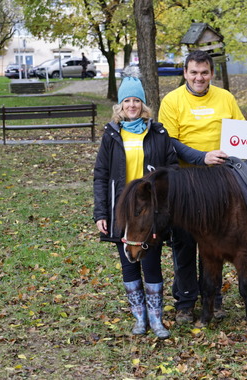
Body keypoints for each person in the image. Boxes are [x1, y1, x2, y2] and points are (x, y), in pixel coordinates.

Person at [158, 50, 247, 324]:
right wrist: (201, 157)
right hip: (188, 184)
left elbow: (245, 133)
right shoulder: (172, 100)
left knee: (218, 242)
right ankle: (186, 302)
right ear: (185, 73)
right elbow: (171, 142)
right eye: (193, 73)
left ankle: (215, 300)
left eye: (204, 73)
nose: (199, 78)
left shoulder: (225, 97)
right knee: (186, 244)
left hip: (223, 183)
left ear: (211, 73)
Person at [93, 66, 178, 338]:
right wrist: (100, 212)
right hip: (122, 210)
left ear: (143, 104)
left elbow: (172, 169)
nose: (132, 105)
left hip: (149, 211)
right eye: (127, 100)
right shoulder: (112, 134)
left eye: (137, 100)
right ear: (120, 105)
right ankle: (139, 317)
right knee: (129, 262)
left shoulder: (158, 133)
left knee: (151, 262)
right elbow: (101, 175)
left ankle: (156, 319)